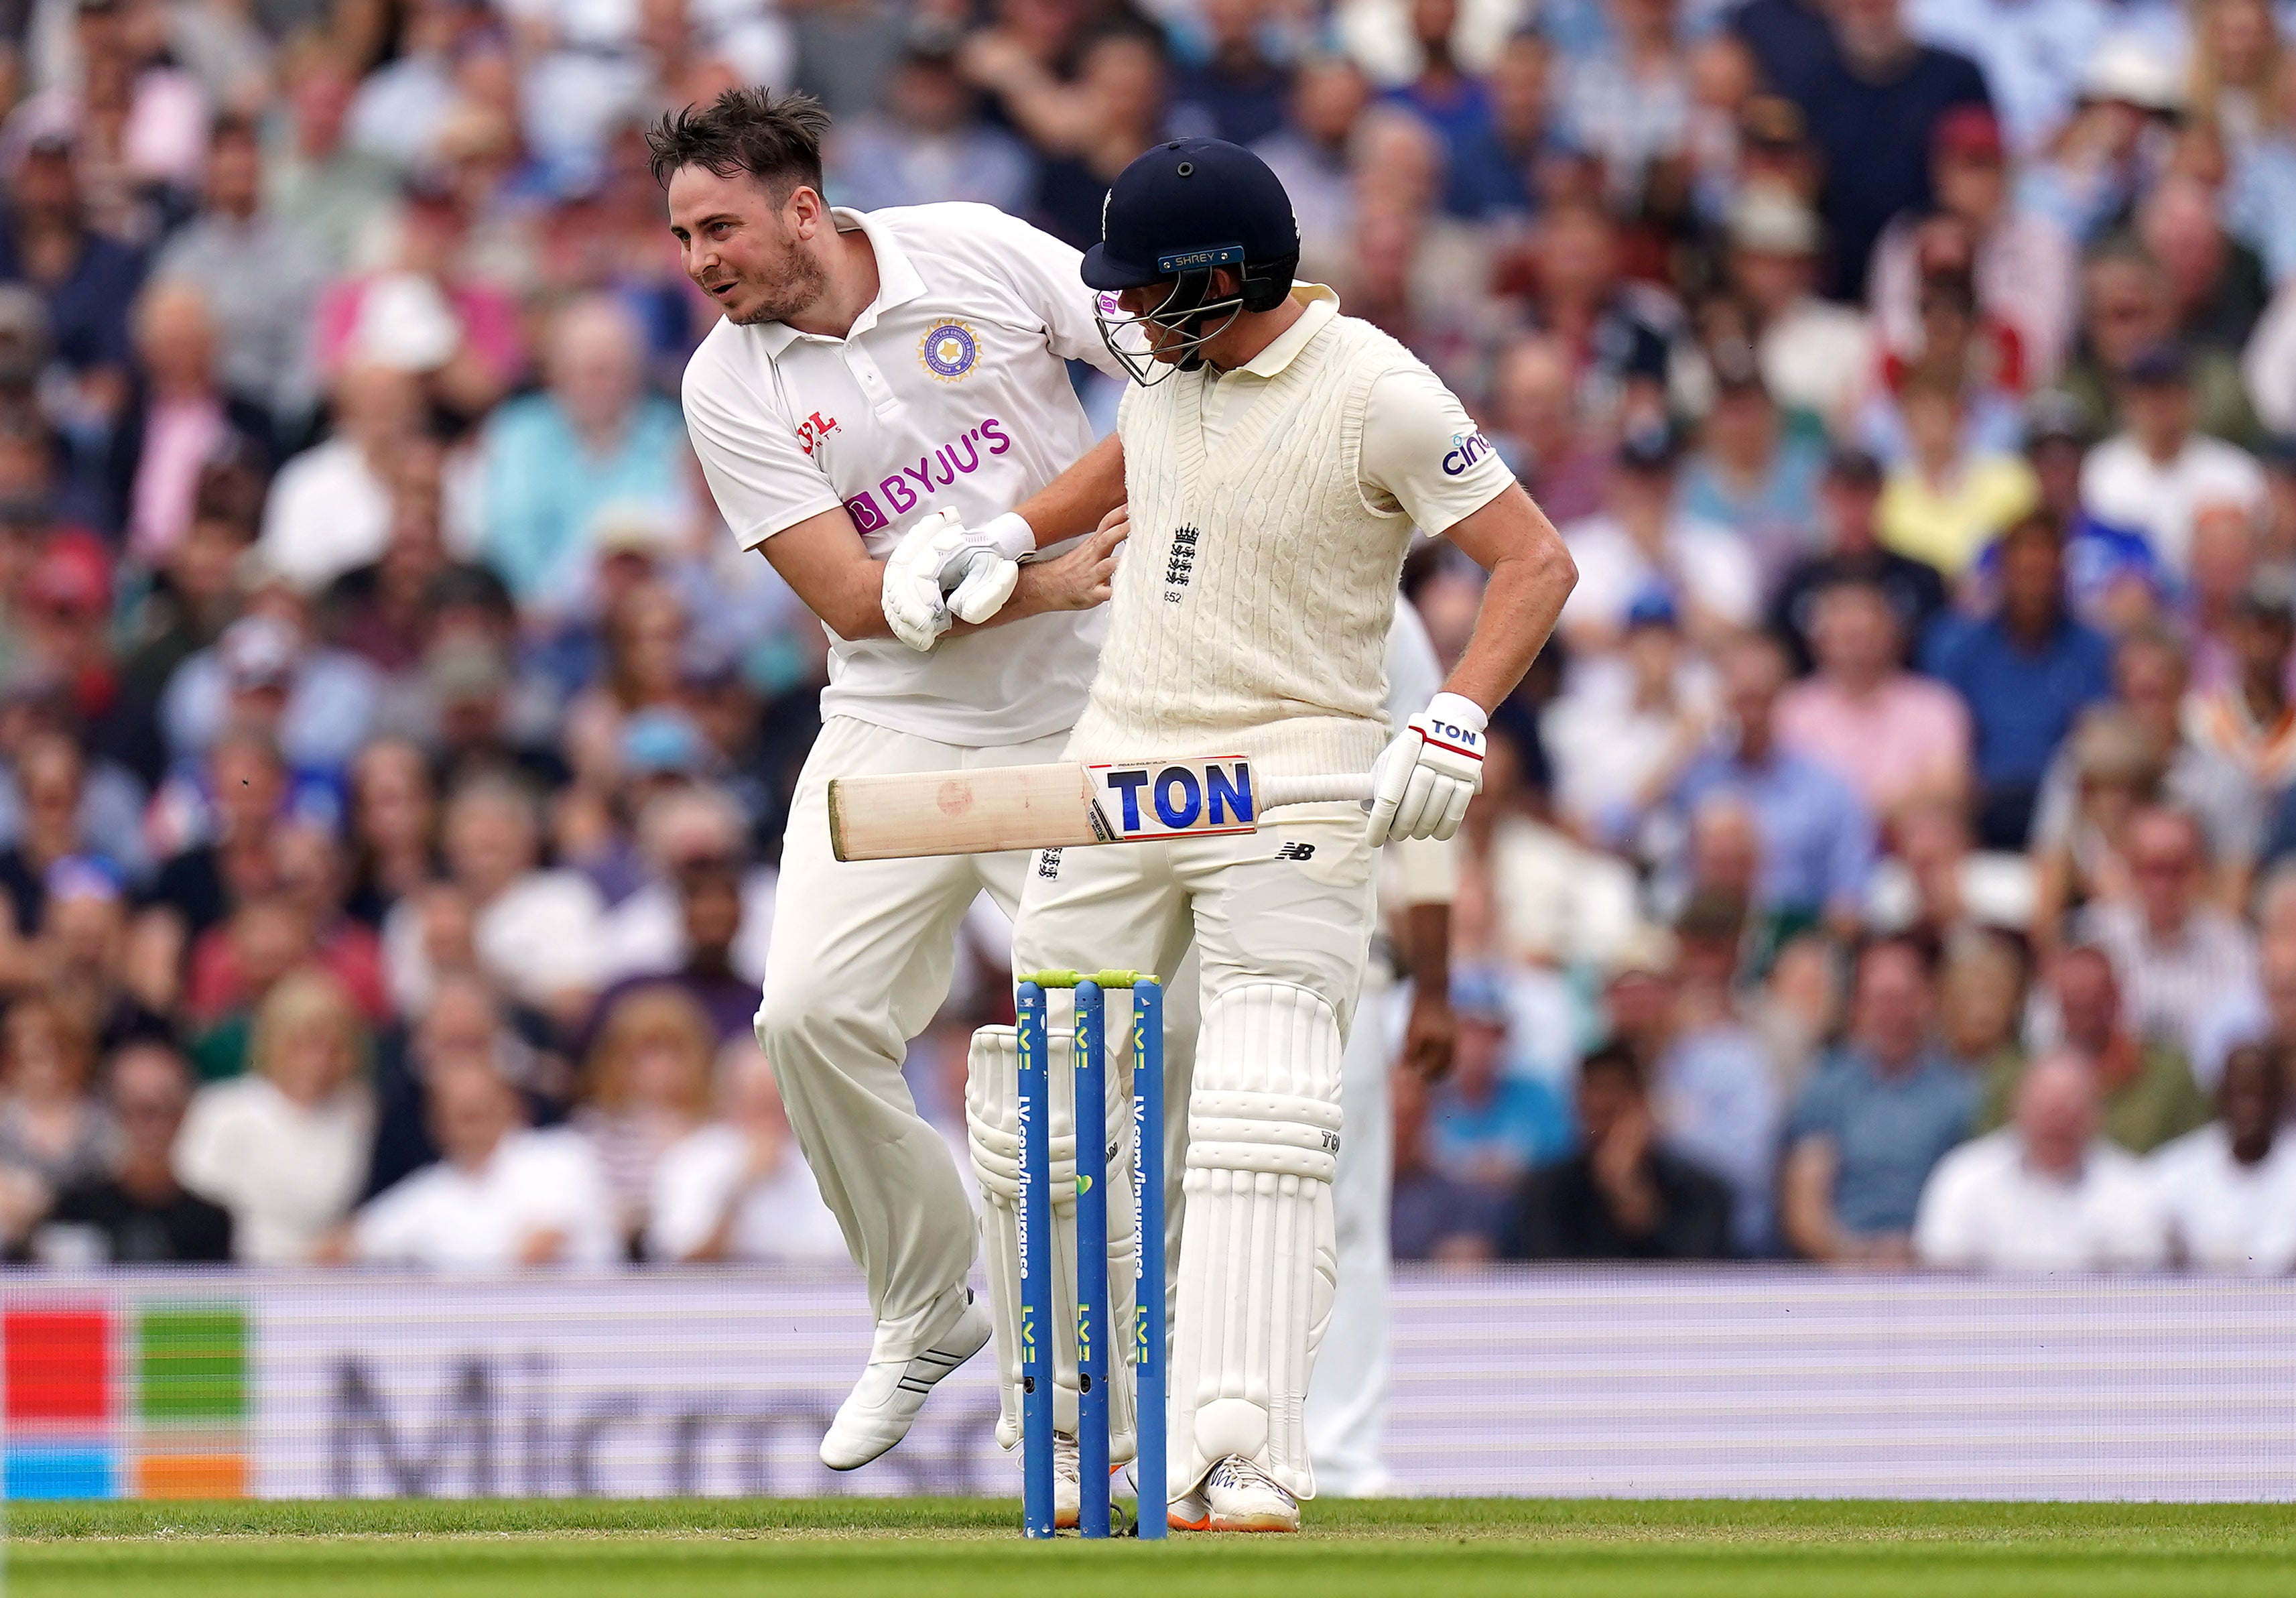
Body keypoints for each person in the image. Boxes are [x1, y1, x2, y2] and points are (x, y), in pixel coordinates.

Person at [999, 136, 1574, 1534]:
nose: (1122, 315)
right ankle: (1074, 1443)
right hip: (1118, 773)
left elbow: (1534, 559)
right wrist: (993, 539)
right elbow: (1117, 467)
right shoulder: (1171, 379)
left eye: (1145, 290)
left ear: (1219, 280)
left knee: (1264, 1122)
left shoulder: (1370, 385)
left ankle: (1237, 1456)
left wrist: (1451, 715)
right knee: (1047, 1109)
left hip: (1288, 786)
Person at [653, 86, 1134, 1479]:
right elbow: (855, 604)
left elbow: (1165, 379)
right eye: (683, 237)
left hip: (1089, 715)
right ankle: (927, 1307)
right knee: (805, 1016)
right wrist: (1030, 579)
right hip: (896, 724)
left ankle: (1093, 1378)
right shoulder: (723, 383)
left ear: (805, 205)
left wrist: (1008, 536)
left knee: (1090, 1053)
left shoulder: (972, 247)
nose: (701, 262)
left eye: (721, 227)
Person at [1780, 938, 1976, 1263]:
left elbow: (1966, 1197)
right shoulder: (1827, 1087)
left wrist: (1916, 1256)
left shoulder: (1959, 1093)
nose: (1891, 1012)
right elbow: (1805, 1207)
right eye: (1880, 999)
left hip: (1931, 1266)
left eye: (1901, 998)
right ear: (1858, 1005)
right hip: (1841, 1266)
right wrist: (1855, 1255)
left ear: (1926, 1000)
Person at [1925, 513, 2114, 848]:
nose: (2033, 585)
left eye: (2042, 572)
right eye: (2023, 572)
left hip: (2064, 806)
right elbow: (1938, 735)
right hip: (1976, 803)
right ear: (2002, 573)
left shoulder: (2095, 649)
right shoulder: (1958, 646)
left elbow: (2097, 736)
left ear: (2061, 574)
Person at [172, 967, 374, 1263]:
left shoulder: (358, 1115)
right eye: (303, 1044)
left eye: (333, 1047)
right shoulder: (223, 1110)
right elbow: (195, 1201)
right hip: (234, 1274)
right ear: (273, 1042)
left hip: (325, 1284)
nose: (319, 1061)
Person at [342, 1056, 621, 1270]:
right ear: (437, 1125)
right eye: (463, 1115)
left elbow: (540, 1251)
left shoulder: (561, 1154)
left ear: (512, 1105)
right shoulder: (430, 1190)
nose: (474, 1125)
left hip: (576, 1330)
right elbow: (348, 1244)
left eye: (482, 1109)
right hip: (474, 1335)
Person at [1913, 1051, 2168, 1271]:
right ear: (2016, 1109)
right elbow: (1944, 1283)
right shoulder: (1963, 1177)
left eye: (2071, 1113)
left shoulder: (2133, 1189)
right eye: (2047, 1112)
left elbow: (2135, 1297)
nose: (2058, 1126)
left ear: (2096, 1116)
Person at [1504, 1042, 1734, 1261]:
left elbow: (1700, 1275)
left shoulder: (1701, 1192)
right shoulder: (1548, 1191)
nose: (1602, 1119)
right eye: (1594, 1109)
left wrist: (1631, 1197)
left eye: (1614, 1108)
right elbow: (1549, 1274)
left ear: (1643, 1104)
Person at [1981, 944, 2211, 1154]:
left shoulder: (2169, 1076)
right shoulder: (2020, 1078)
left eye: (2092, 1003)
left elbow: (2197, 1155)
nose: (2083, 1018)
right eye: (2072, 1005)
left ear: (2117, 999)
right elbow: (1991, 1155)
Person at [2073, 806, 2260, 1060]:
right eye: (2152, 869)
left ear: (2201, 869)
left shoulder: (2235, 947)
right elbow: (2046, 1029)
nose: (2163, 885)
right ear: (2129, 868)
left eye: (2177, 869)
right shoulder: (2092, 935)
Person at [1774, 578, 1970, 818]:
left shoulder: (1935, 706)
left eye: (1867, 633)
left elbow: (1949, 792)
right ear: (1819, 640)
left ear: (1894, 635)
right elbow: (1783, 799)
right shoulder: (1791, 710)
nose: (1857, 647)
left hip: (1909, 849)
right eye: (1847, 635)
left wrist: (1852, 808)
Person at [646, 1039, 848, 1262]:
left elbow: (841, 1258)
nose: (770, 1118)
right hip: (720, 1294)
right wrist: (742, 1187)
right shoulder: (691, 1161)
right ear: (728, 1100)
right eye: (759, 1102)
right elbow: (679, 1260)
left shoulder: (826, 1163)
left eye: (778, 1101)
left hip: (808, 1293)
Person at [34, 1042, 232, 1265]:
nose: (151, 1126)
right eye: (136, 1109)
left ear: (184, 1114)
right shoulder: (75, 1209)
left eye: (164, 1109)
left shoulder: (211, 1221)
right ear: (113, 1111)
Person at [2147, 1042, 2296, 1273]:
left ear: (2280, 1099)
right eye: (2242, 1094)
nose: (2252, 1108)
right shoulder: (2177, 1171)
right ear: (2222, 1096)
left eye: (2263, 1095)